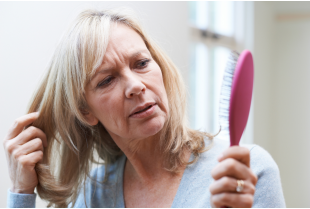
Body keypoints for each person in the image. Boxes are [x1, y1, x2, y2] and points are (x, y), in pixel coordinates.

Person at [3, 8, 286, 208]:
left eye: (141, 63)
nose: (135, 85)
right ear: (86, 111)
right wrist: (20, 193)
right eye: (107, 80)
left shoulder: (248, 171)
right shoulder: (93, 196)